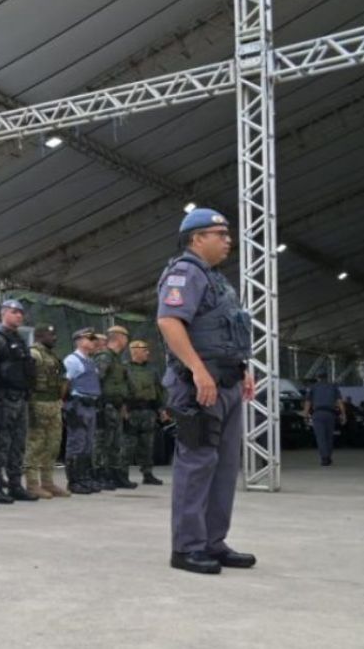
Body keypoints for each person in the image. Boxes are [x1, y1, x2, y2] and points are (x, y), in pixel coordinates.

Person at [157, 207, 256, 575]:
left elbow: (226, 332)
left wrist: (243, 370)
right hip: (199, 387)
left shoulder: (217, 280)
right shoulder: (185, 273)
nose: (228, 239)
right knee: (197, 465)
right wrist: (199, 371)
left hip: (226, 383)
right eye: (220, 233)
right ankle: (187, 547)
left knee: (225, 467)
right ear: (197, 238)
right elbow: (169, 321)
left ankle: (213, 542)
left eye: (227, 234)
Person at [0, 300, 38, 503]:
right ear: (3, 313)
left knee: (18, 444)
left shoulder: (19, 339)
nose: (19, 316)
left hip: (20, 397)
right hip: (3, 398)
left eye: (20, 313)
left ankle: (15, 484)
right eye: (14, 312)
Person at [25, 324, 69, 499]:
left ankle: (48, 482)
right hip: (38, 404)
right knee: (35, 444)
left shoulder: (52, 356)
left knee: (52, 445)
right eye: (51, 335)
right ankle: (32, 484)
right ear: (40, 336)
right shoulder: (34, 354)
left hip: (54, 404)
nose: (54, 338)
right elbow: (28, 380)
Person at [94, 326, 137, 490]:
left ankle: (114, 474)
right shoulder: (105, 356)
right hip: (106, 405)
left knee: (115, 444)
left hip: (117, 407)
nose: (127, 341)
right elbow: (97, 380)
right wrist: (99, 405)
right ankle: (100, 474)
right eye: (126, 337)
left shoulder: (117, 358)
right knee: (103, 442)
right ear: (119, 338)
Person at [62, 329, 101, 495]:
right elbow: (65, 383)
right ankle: (74, 480)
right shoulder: (72, 360)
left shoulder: (90, 361)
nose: (93, 342)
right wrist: (65, 403)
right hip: (78, 404)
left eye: (94, 339)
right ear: (78, 341)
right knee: (76, 443)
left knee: (87, 444)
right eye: (89, 339)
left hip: (90, 405)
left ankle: (85, 478)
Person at [125, 340, 167, 484]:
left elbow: (158, 390)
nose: (148, 352)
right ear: (135, 351)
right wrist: (123, 409)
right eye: (144, 349)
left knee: (148, 444)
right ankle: (122, 474)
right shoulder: (125, 368)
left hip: (148, 410)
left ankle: (147, 473)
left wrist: (161, 409)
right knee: (127, 444)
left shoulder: (152, 370)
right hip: (131, 410)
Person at [304, 372, 343, 466]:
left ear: (318, 377)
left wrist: (305, 415)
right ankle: (328, 456)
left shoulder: (313, 387)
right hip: (330, 414)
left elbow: (308, 402)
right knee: (329, 437)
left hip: (318, 414)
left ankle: (325, 458)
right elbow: (340, 402)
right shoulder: (333, 387)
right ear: (327, 377)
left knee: (320, 437)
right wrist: (343, 414)